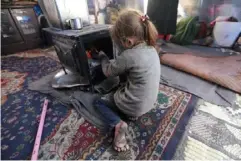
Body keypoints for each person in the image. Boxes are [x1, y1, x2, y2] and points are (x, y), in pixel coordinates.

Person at [94, 9, 160, 152]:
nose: (119, 44)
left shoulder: (129, 55)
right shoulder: (152, 49)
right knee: (124, 82)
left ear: (128, 41)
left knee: (98, 102)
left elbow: (107, 72)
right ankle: (130, 113)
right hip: (148, 103)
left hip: (134, 106)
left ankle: (118, 124)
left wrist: (102, 57)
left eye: (120, 42)